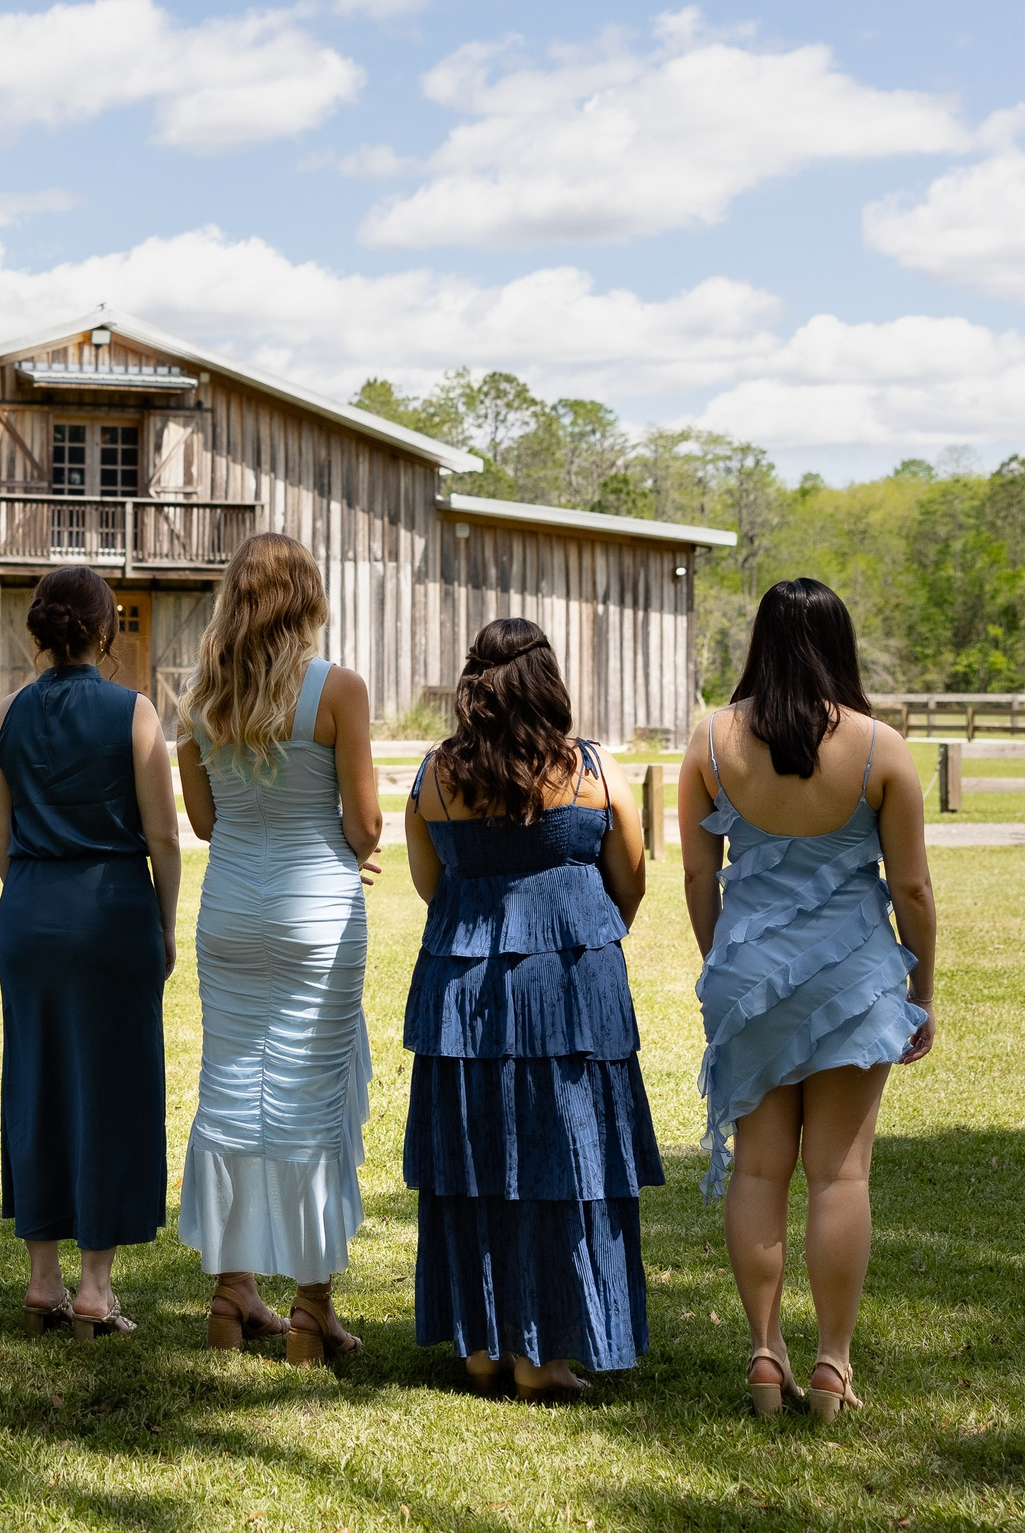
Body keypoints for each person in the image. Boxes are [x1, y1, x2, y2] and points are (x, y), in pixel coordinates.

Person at [681, 577, 937, 1423]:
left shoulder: (712, 741)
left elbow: (696, 872)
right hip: (855, 980)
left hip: (748, 976)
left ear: (760, 641)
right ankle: (831, 1362)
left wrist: (725, 961)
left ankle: (763, 1350)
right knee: (839, 1173)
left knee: (759, 1165)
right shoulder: (879, 748)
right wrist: (921, 988)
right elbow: (912, 887)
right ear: (840, 644)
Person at [401, 619, 661, 1400]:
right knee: (566, 1158)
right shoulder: (592, 772)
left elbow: (429, 884)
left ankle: (482, 1345)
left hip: (463, 996)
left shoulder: (433, 777)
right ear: (548, 681)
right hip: (573, 990)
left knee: (476, 1160)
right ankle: (543, 1355)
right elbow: (632, 880)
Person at [175, 532, 382, 1365]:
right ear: (307, 597)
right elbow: (367, 823)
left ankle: (231, 1293)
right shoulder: (338, 690)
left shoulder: (199, 699)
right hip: (317, 911)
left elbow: (204, 821)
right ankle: (310, 1307)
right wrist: (338, 849)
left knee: (230, 1089)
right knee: (312, 1092)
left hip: (229, 908)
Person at [0, 567, 179, 1338]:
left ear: (37, 633)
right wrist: (161, 924)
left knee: (36, 1079)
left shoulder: (4, 716)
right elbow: (163, 836)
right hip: (112, 912)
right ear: (107, 632)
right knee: (112, 1088)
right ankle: (95, 1284)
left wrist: (30, 892)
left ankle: (40, 1276)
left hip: (30, 910)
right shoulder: (134, 713)